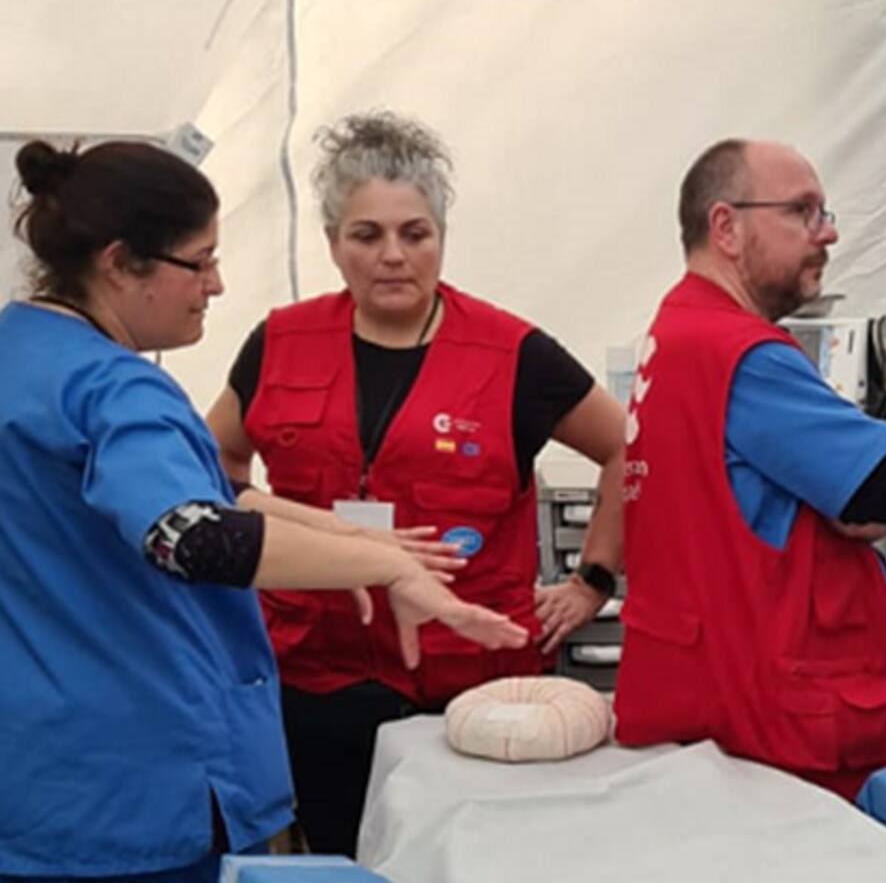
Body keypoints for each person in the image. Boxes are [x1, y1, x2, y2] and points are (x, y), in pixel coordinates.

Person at [0, 138, 527, 883]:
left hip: (36, 773)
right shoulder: (116, 388)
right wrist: (382, 564)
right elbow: (192, 536)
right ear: (120, 263)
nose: (215, 285)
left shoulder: (21, 354)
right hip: (129, 789)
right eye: (200, 260)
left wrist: (345, 536)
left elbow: (205, 493)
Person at [207, 112, 625, 855]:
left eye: (415, 233)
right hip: (315, 677)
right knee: (339, 861)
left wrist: (591, 578)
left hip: (468, 688)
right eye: (366, 235)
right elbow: (214, 470)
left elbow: (628, 451)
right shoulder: (278, 342)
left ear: (441, 237)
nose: (392, 256)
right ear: (333, 243)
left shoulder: (514, 354)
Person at [612, 138, 886, 800]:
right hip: (789, 732)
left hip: (716, 705)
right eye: (804, 212)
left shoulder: (675, 332)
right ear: (726, 226)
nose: (828, 232)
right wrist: (840, 500)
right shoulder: (745, 354)